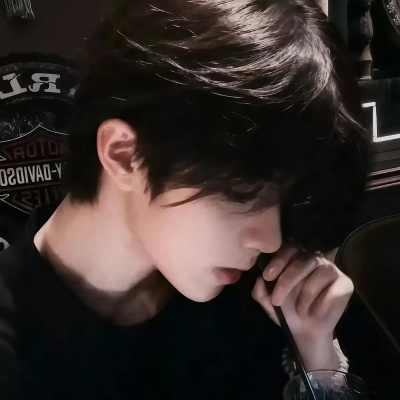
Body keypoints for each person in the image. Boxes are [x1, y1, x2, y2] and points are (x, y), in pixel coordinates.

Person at [0, 0, 369, 399]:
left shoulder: (261, 297)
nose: (269, 239)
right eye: (242, 192)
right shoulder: (15, 351)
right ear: (125, 155)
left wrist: (316, 358)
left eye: (283, 198)